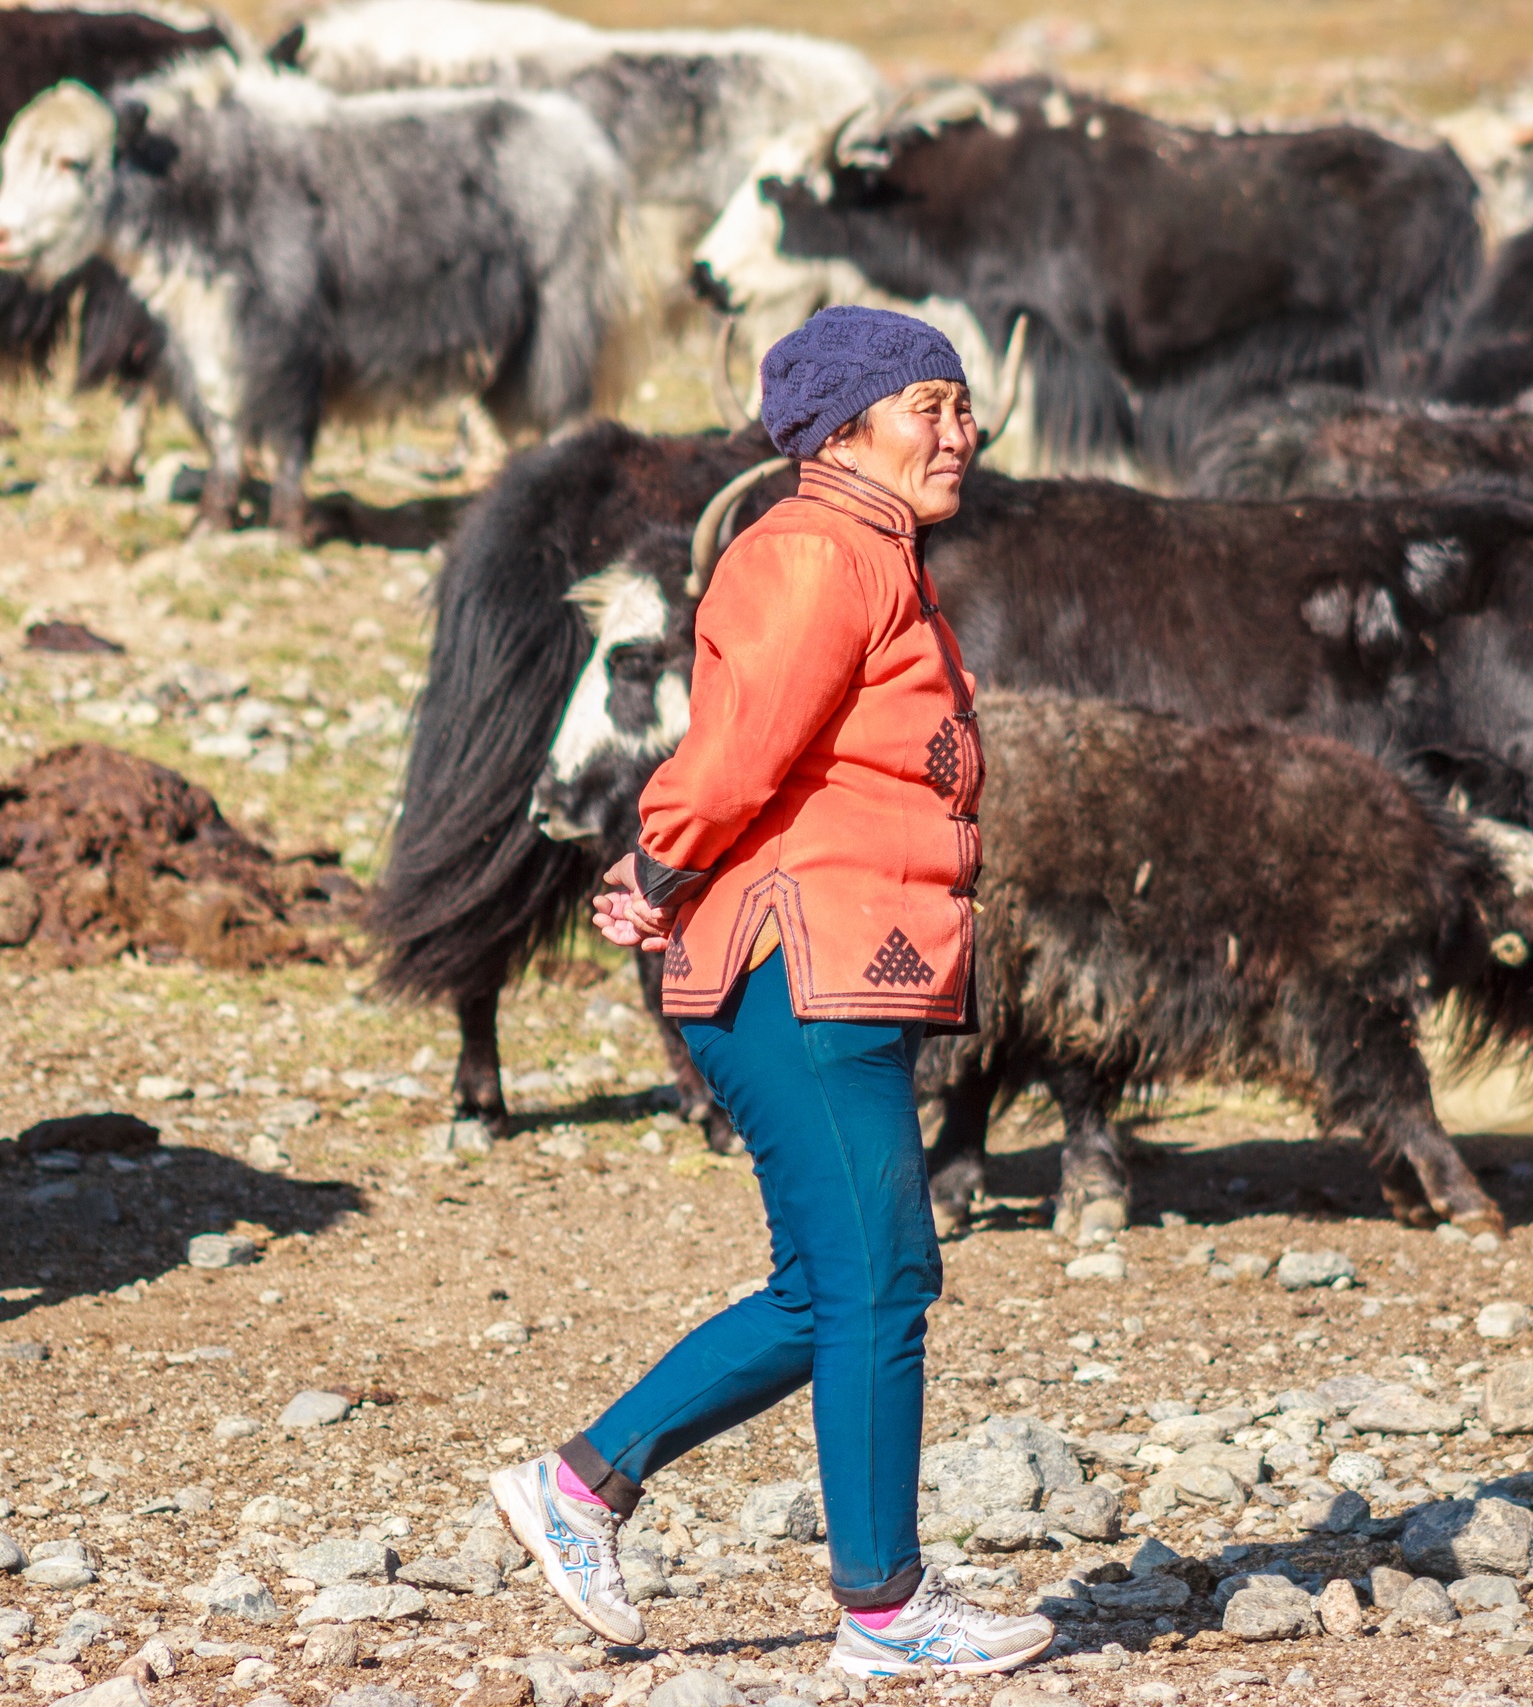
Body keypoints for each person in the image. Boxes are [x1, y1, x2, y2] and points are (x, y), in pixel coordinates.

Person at [488, 306, 1053, 1680]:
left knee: (837, 1285)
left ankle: (581, 1487)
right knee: (880, 1281)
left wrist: (664, 869)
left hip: (829, 967)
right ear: (846, 425)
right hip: (794, 968)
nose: (961, 433)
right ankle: (884, 1613)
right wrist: (658, 860)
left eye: (964, 407)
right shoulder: (811, 554)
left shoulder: (866, 555)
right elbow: (734, 757)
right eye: (931, 406)